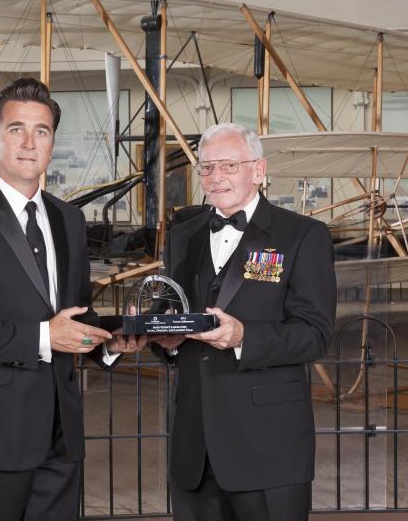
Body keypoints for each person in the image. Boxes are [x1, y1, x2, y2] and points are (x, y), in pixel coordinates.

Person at [0, 77, 139, 521]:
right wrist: (44, 336)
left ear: (52, 142)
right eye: (15, 129)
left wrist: (108, 342)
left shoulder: (69, 219)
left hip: (61, 435)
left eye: (41, 131)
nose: (28, 142)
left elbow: (74, 313)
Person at [151, 122, 336, 520]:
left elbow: (316, 334)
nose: (216, 177)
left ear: (258, 170)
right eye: (207, 168)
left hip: (268, 446)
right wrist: (162, 337)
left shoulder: (303, 235)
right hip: (194, 446)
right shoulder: (183, 236)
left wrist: (243, 336)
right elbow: (176, 313)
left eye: (229, 166)